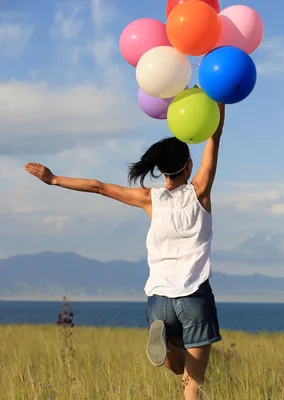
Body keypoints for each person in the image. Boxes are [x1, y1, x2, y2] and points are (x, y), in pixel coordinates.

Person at [24, 104, 226, 400]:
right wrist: (219, 99)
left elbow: (99, 187)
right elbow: (215, 137)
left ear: (160, 169)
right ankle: (169, 349)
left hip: (158, 301)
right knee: (193, 384)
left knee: (180, 372)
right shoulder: (200, 192)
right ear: (189, 165)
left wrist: (53, 179)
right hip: (193, 295)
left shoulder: (149, 199)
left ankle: (168, 347)